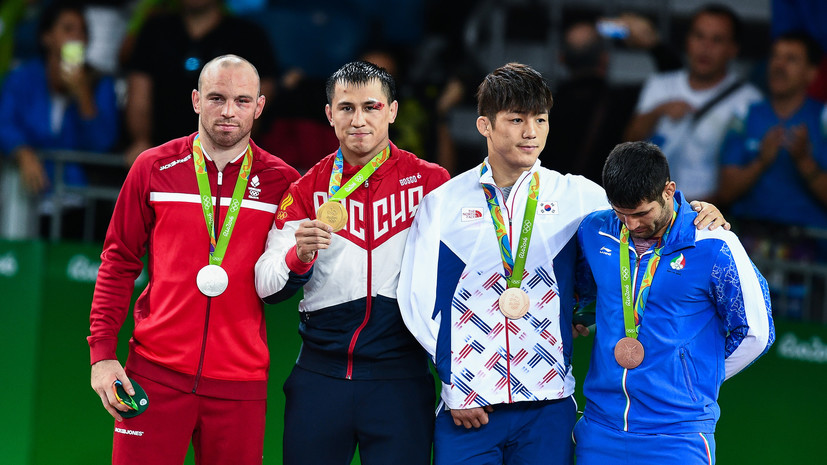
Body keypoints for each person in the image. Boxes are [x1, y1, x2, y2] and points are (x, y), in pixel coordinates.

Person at [397, 63, 728, 465]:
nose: (531, 132)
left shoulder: (579, 196)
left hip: (548, 402)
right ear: (484, 124)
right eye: (516, 120)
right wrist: (456, 383)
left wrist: (698, 211)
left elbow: (648, 208)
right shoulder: (444, 202)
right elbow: (414, 298)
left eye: (540, 119)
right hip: (470, 407)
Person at [88, 54, 300, 464]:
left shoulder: (283, 182)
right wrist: (102, 355)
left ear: (259, 106)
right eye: (216, 97)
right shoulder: (153, 167)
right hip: (153, 374)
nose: (227, 111)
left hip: (240, 383)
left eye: (242, 101)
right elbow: (118, 262)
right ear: (195, 100)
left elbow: (287, 276)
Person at [254, 61, 450, 465]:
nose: (358, 120)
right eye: (346, 108)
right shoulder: (306, 188)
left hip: (401, 379)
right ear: (329, 114)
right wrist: (298, 256)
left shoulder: (432, 183)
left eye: (371, 107)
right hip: (320, 377)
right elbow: (266, 283)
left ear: (392, 111)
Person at [573, 141, 775, 465]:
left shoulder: (713, 243)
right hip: (600, 429)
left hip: (677, 435)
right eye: (621, 213)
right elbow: (577, 289)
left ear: (668, 190)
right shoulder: (595, 230)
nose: (631, 225)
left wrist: (693, 376)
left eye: (641, 213)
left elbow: (756, 331)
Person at [0, 0, 119, 238]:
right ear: (47, 37)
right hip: (27, 198)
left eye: (83, 31)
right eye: (68, 29)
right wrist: (22, 151)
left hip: (77, 204)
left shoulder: (98, 83)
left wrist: (84, 98)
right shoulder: (22, 78)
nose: (78, 37)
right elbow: (4, 122)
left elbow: (102, 144)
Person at [623, 3, 762, 202]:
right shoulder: (660, 84)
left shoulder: (749, 100)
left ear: (733, 49)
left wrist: (692, 212)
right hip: (652, 209)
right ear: (687, 40)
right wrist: (658, 111)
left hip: (710, 214)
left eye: (717, 40)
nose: (706, 47)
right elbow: (628, 144)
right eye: (699, 36)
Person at [122, 0, 278, 166]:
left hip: (226, 156)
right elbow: (138, 93)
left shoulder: (249, 35)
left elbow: (260, 93)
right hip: (161, 153)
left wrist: (233, 149)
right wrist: (141, 140)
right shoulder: (155, 30)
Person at [718, 32, 827, 229]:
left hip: (810, 246)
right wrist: (761, 161)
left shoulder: (823, 118)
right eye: (775, 56)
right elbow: (725, 192)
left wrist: (804, 161)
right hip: (750, 240)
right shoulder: (745, 114)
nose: (779, 65)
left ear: (812, 73)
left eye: (791, 59)